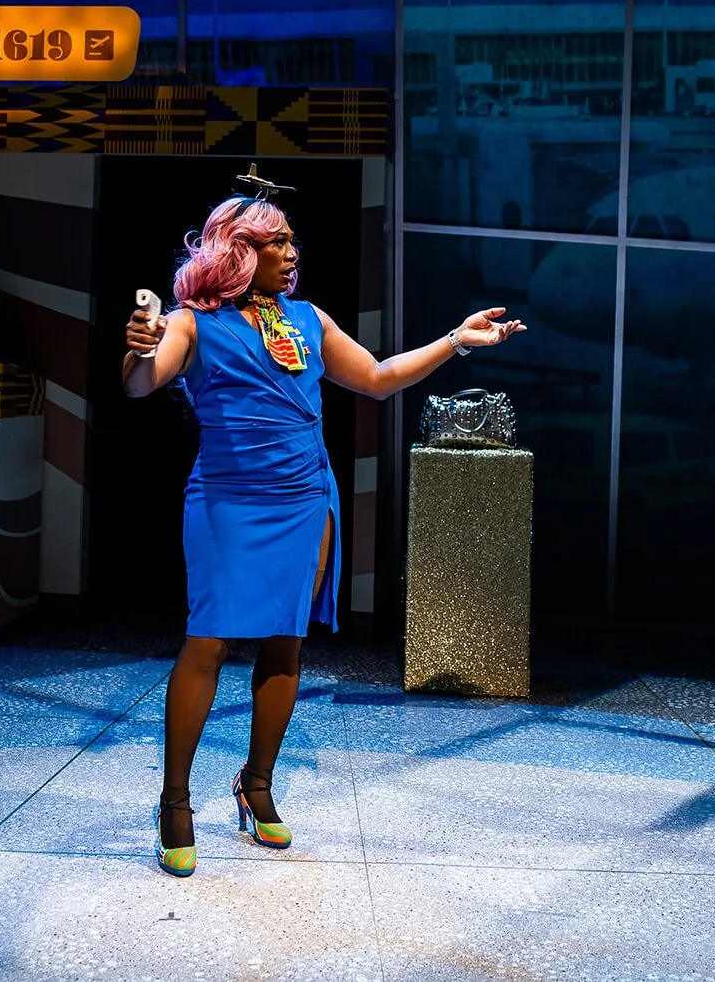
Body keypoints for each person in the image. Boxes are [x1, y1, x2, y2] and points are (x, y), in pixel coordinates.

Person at [122, 177, 525, 876]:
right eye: (277, 241)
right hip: (227, 500)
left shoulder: (307, 318)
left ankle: (256, 786)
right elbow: (140, 382)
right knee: (207, 642)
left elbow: (376, 376)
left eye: (290, 240)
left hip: (305, 496)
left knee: (285, 642)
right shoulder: (192, 321)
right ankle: (175, 802)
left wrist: (456, 341)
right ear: (237, 250)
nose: (291, 250)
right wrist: (136, 349)